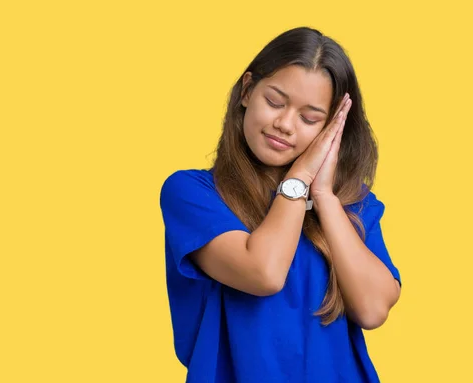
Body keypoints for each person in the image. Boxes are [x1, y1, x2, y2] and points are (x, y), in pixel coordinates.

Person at [159, 26, 402, 383]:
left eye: (309, 118)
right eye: (275, 102)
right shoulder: (192, 192)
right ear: (246, 91)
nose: (284, 124)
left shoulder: (353, 205)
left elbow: (373, 309)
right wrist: (299, 178)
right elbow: (264, 273)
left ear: (332, 129)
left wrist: (323, 197)